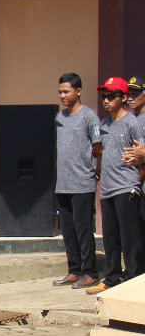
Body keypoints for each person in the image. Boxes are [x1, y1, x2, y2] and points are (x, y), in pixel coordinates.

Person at [87, 78, 144, 295]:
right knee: (110, 238)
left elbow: (141, 152)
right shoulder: (104, 124)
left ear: (123, 98)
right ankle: (111, 278)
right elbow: (100, 150)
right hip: (107, 188)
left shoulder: (132, 123)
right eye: (104, 96)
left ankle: (133, 278)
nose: (106, 100)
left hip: (126, 186)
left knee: (130, 237)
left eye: (111, 96)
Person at [52, 74, 102, 290]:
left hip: (82, 183)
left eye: (66, 91)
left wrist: (90, 167)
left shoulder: (89, 117)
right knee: (68, 231)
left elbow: (98, 147)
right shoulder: (60, 117)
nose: (62, 95)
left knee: (83, 230)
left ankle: (90, 273)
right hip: (63, 184)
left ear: (78, 91)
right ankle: (75, 270)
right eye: (60, 92)